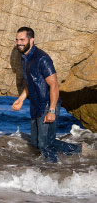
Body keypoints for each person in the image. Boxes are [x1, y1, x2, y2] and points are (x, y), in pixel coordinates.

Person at [11, 26, 90, 162]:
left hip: (47, 105)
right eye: (17, 40)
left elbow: (54, 85)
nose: (19, 43)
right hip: (35, 106)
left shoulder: (42, 59)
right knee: (36, 143)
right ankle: (79, 150)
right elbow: (30, 81)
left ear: (32, 40)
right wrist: (22, 98)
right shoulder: (24, 57)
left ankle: (52, 172)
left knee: (45, 144)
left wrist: (52, 110)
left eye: (22, 40)